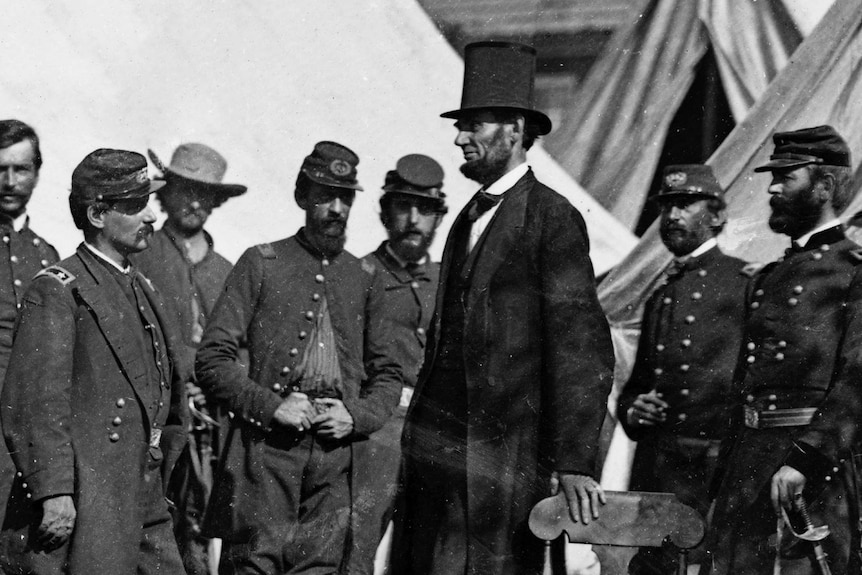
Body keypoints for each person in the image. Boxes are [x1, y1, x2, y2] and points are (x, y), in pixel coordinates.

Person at [394, 41, 615, 575]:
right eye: (460, 125)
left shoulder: (551, 218)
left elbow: (580, 346)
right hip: (440, 454)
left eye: (474, 125)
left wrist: (574, 463)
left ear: (515, 131)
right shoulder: (466, 216)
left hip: (504, 460)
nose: (459, 137)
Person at [195, 141, 402, 574]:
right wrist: (272, 407)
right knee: (254, 564)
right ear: (301, 197)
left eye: (345, 198)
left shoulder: (366, 277)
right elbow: (213, 359)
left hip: (335, 461)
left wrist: (356, 416)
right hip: (264, 454)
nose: (336, 209)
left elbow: (388, 374)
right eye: (325, 195)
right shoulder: (262, 263)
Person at [0, 149, 189, 574]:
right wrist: (53, 491)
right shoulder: (58, 289)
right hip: (90, 495)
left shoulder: (141, 285)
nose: (151, 218)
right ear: (98, 214)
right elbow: (36, 402)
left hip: (143, 490)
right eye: (136, 206)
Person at [704, 126, 862, 574]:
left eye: (786, 177)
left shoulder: (851, 273)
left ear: (825, 186)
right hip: (748, 467)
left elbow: (856, 381)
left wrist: (805, 461)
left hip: (809, 472)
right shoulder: (768, 275)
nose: (771, 188)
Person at [616, 165, 748, 574]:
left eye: (685, 205)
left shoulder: (744, 285)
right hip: (656, 470)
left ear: (717, 216)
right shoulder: (662, 295)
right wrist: (634, 409)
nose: (672, 216)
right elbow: (635, 387)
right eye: (667, 206)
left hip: (707, 472)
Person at [132, 142, 247, 574]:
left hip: (213, 425)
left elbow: (243, 348)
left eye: (206, 193)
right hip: (153, 419)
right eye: (185, 189)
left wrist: (219, 380)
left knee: (199, 529)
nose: (195, 202)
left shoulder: (228, 271)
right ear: (165, 193)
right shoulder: (140, 257)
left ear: (218, 201)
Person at [348, 154, 447, 575]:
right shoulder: (357, 275)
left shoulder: (450, 280)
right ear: (385, 212)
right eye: (402, 207)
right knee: (356, 543)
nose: (413, 220)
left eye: (424, 210)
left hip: (436, 431)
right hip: (377, 429)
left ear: (438, 218)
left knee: (428, 548)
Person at [0, 119, 60, 537]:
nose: (9, 181)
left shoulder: (47, 255)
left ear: (37, 173)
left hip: (29, 427)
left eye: (21, 169)